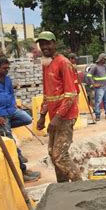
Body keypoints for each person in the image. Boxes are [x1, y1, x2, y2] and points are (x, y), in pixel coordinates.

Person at [36, 31, 82, 182]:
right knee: (52, 153)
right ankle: (62, 187)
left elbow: (71, 94)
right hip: (54, 116)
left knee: (60, 156)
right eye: (42, 44)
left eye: (47, 43)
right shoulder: (46, 63)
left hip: (65, 116)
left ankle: (79, 185)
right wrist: (42, 116)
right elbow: (47, 94)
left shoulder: (63, 63)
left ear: (54, 43)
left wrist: (56, 118)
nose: (44, 47)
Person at [0, 57, 41, 182]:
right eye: (4, 68)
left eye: (7, 68)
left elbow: (10, 93)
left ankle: (7, 127)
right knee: (11, 143)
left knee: (27, 118)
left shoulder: (8, 79)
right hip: (0, 114)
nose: (6, 70)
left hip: (11, 110)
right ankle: (22, 171)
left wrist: (14, 103)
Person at [86, 53, 106, 121]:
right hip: (99, 88)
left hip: (105, 86)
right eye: (104, 59)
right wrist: (93, 84)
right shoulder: (95, 67)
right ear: (101, 59)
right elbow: (89, 75)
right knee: (98, 101)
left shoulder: (104, 66)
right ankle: (97, 115)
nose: (105, 61)